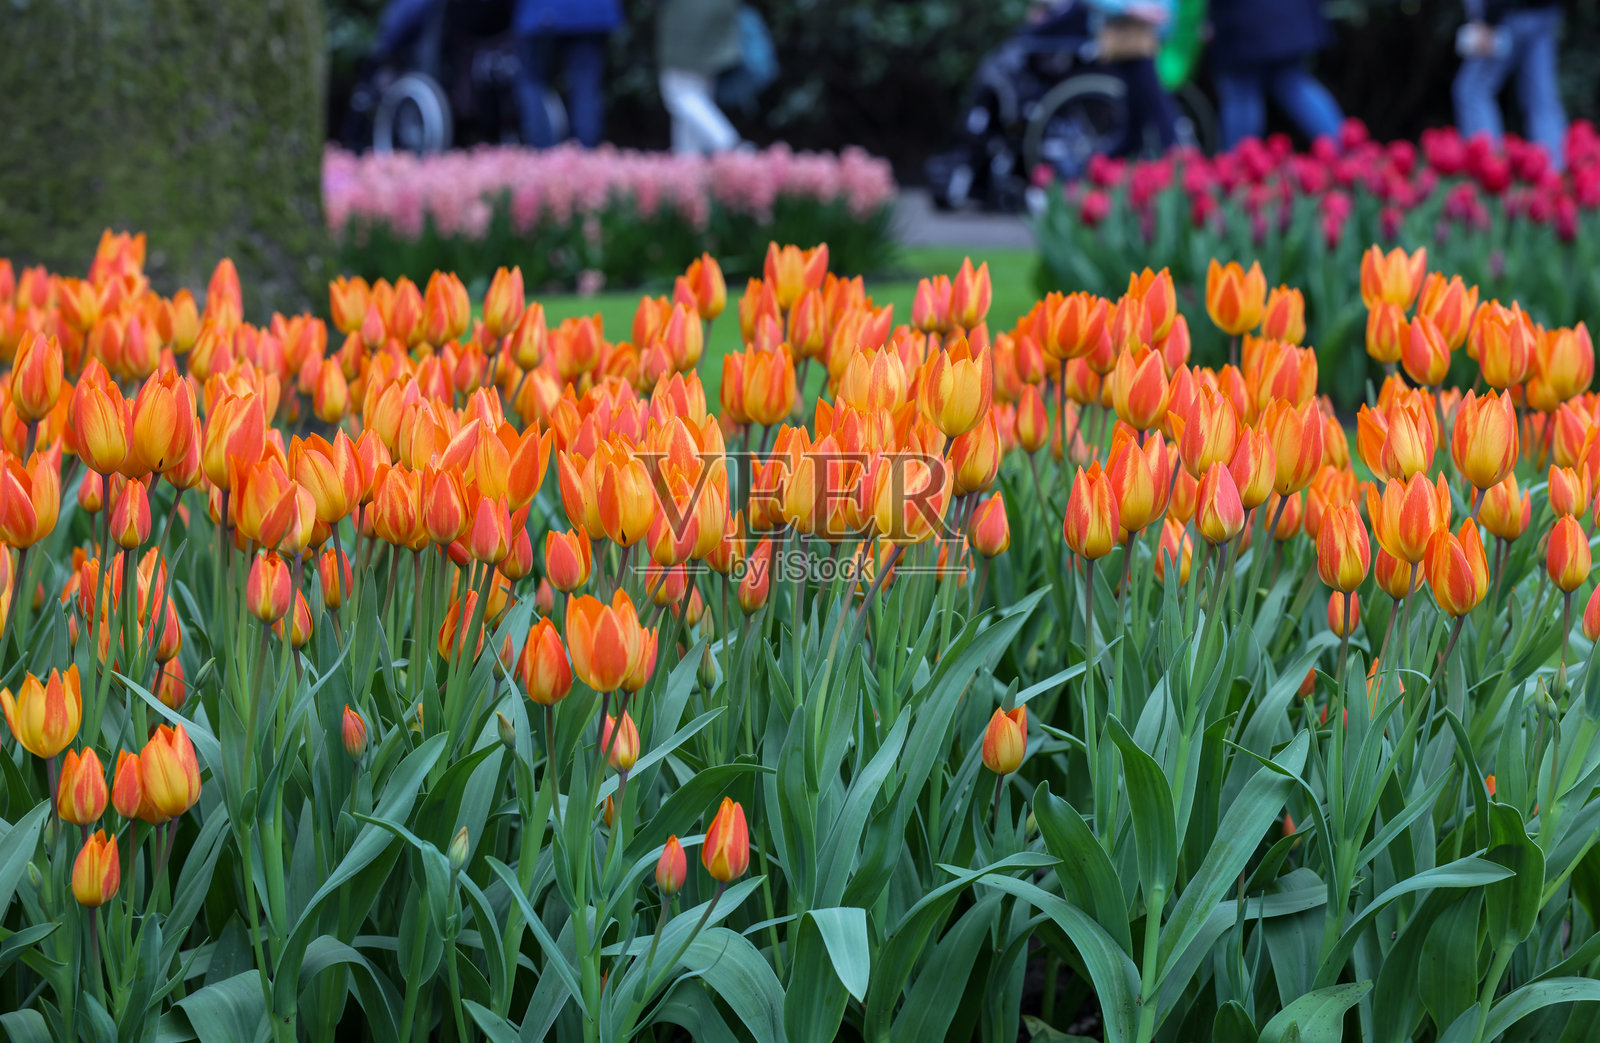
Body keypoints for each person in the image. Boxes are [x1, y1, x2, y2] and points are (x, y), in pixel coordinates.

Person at [1207, 0, 1344, 150]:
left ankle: (1234, 166)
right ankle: (1348, 154)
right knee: (1292, 84)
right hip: (1289, 13)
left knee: (1241, 91)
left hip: (1244, 18)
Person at [1452, 1, 1569, 170]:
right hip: (1544, 12)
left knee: (1473, 91)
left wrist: (1488, 21)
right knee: (1542, 100)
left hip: (1506, 16)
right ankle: (1555, 173)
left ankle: (1489, 168)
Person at [513, 0, 623, 148]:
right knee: (586, 83)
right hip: (592, 11)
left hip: (540, 10)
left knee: (532, 80)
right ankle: (586, 151)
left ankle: (541, 152)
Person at [1086, 1, 1180, 158]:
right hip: (1129, 38)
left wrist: (1161, 16)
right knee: (1155, 116)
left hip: (1146, 38)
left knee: (1141, 119)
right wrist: (1131, 9)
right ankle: (1178, 167)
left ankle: (1108, 166)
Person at [657, 0, 743, 155]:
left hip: (687, 19)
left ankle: (729, 144)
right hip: (718, 14)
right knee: (698, 91)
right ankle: (688, 163)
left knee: (677, 92)